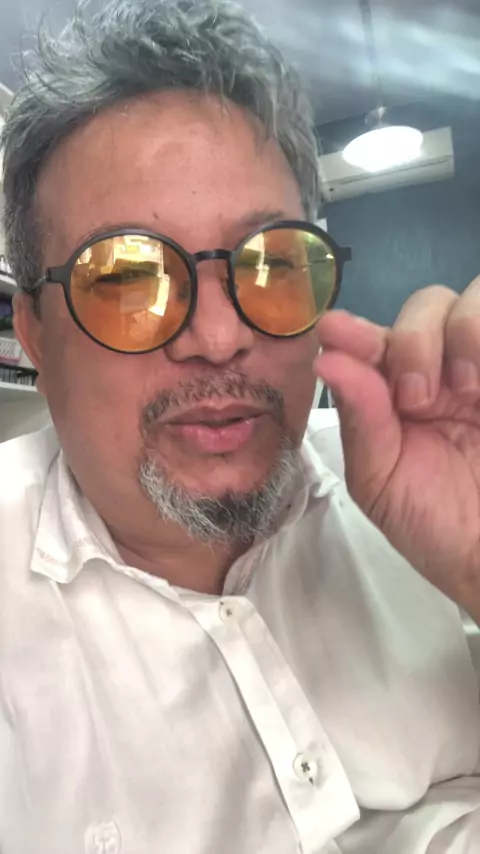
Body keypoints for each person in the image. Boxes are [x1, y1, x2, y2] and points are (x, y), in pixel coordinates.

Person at [1, 0, 480, 851]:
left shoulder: (429, 498)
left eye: (272, 262)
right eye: (127, 277)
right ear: (34, 332)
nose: (221, 337)